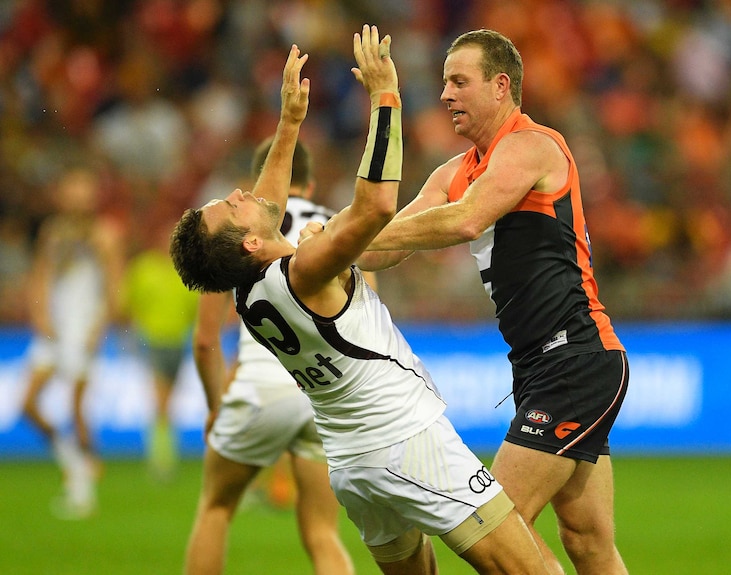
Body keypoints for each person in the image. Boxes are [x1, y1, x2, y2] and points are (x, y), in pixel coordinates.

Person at [170, 28, 549, 575]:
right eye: (230, 207)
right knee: (528, 569)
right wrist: (384, 96)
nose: (239, 193)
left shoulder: (249, 292)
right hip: (407, 439)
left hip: (352, 466)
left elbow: (269, 199)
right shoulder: (304, 267)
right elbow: (375, 207)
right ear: (248, 241)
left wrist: (289, 122)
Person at [356, 29, 630, 575]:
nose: (446, 95)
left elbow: (466, 220)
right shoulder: (453, 173)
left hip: (575, 359)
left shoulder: (534, 146)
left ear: (501, 86)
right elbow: (386, 246)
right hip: (541, 367)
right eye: (443, 83)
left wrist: (339, 244)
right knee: (586, 540)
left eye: (459, 81)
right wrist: (333, 250)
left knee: (499, 526)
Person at [184, 137, 353, 575]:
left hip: (262, 385)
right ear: (311, 186)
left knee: (216, 507)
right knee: (323, 533)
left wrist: (216, 406)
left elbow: (205, 341)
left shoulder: (235, 239)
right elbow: (361, 303)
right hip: (323, 389)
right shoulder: (335, 226)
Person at [22, 166, 125, 519]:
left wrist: (101, 325)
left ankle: (83, 492)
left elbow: (114, 284)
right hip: (53, 329)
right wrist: (38, 315)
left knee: (77, 408)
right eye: (72, 188)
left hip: (83, 328)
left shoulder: (104, 235)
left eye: (83, 188)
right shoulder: (53, 232)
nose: (77, 195)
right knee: (28, 404)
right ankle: (75, 464)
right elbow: (39, 275)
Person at [121, 219, 199, 481]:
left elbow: (193, 307)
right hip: (152, 340)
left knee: (168, 402)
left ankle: (163, 454)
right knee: (161, 401)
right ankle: (162, 460)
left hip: (178, 341)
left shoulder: (181, 270)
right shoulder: (143, 268)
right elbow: (130, 304)